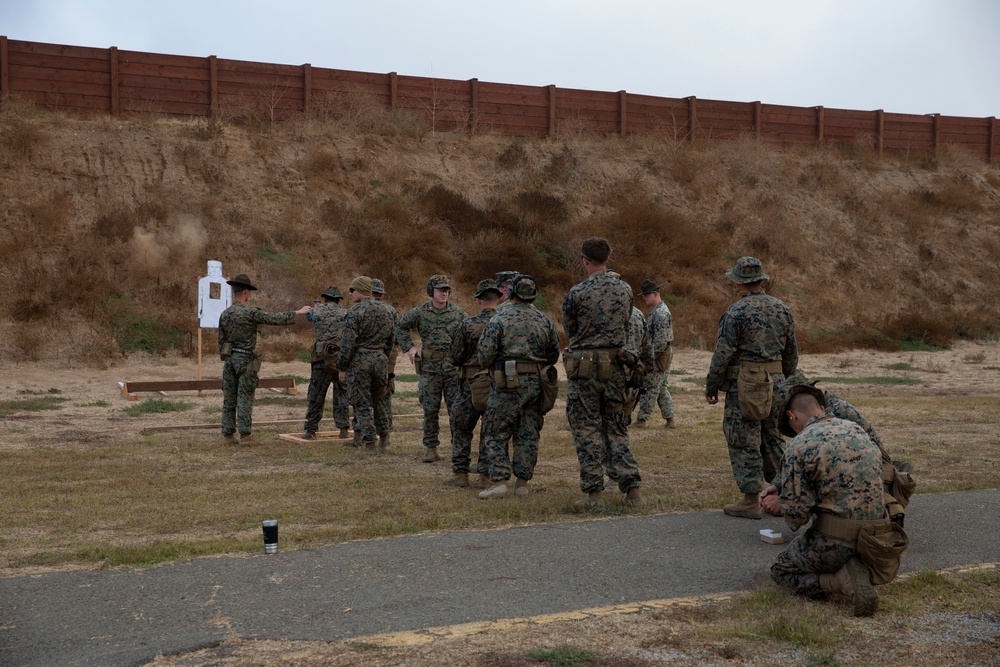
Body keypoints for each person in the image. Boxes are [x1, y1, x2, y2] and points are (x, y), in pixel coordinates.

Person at [759, 384, 886, 617]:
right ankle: (857, 567)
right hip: (879, 540)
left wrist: (780, 505)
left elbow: (796, 519)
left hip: (837, 542)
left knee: (781, 570)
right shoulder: (857, 430)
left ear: (791, 415)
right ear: (821, 407)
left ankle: (841, 581)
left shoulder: (799, 445)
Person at [705, 256, 797, 520]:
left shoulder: (736, 312)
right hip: (777, 382)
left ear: (738, 282)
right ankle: (785, 495)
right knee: (772, 439)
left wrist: (712, 385)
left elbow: (722, 354)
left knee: (743, 439)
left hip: (745, 385)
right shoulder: (782, 308)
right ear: (761, 279)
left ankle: (750, 499)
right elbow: (791, 353)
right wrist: (783, 380)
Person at [562, 237, 643, 508]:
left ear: (585, 260)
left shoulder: (577, 292)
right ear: (608, 259)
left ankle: (594, 494)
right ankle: (632, 489)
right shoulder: (625, 289)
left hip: (584, 368)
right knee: (617, 427)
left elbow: (570, 329)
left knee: (586, 430)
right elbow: (626, 322)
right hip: (616, 368)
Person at [780, 370, 915, 518]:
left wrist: (785, 500)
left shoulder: (836, 411)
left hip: (870, 474)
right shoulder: (819, 408)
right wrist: (777, 486)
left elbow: (810, 459)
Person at [477, 275, 560, 499]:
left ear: (511, 293)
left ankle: (500, 480)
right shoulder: (544, 320)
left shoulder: (499, 318)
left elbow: (484, 356)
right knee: (528, 432)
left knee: (495, 430)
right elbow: (553, 354)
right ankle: (522, 483)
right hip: (535, 384)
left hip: (507, 383)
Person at [218, 274, 311, 443]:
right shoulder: (250, 313)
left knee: (229, 398)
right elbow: (273, 319)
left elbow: (221, 342)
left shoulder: (225, 314)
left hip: (229, 360)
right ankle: (245, 435)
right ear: (246, 292)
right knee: (245, 396)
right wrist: (298, 312)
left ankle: (228, 435)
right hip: (246, 359)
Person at [395, 275, 467, 463]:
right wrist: (409, 346)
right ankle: (431, 448)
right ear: (431, 292)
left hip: (453, 369)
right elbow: (400, 327)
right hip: (430, 370)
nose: (444, 293)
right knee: (430, 409)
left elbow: (469, 335)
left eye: (447, 290)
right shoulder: (420, 313)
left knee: (457, 410)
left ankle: (458, 448)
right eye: (440, 289)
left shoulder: (458, 313)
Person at [445, 279, 502, 488]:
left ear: (478, 300)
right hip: (498, 382)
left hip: (470, 382)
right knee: (491, 429)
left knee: (461, 426)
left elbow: (455, 356)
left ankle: (460, 474)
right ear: (499, 298)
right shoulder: (505, 322)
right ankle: (485, 476)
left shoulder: (467, 324)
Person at [337, 276, 396, 454]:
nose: (350, 294)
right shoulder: (389, 311)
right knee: (381, 400)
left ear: (360, 290)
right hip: (380, 359)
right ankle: (384, 441)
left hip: (360, 360)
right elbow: (392, 341)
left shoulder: (355, 311)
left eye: (352, 290)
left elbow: (347, 344)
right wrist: (383, 357)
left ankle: (369, 443)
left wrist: (342, 367)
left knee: (362, 403)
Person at [301, 286, 351, 440]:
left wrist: (316, 308)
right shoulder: (345, 313)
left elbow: (309, 317)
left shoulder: (316, 311)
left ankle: (311, 429)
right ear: (338, 299)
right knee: (342, 393)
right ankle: (343, 429)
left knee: (316, 394)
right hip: (339, 359)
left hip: (320, 359)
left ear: (324, 298)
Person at [636, 279, 675, 428]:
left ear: (655, 294)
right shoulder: (657, 311)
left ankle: (642, 420)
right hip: (660, 353)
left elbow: (660, 342)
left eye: (646, 295)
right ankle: (670, 419)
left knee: (651, 386)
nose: (644, 298)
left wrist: (649, 360)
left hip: (659, 355)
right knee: (661, 388)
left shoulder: (661, 313)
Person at [371, 278, 400, 451]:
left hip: (365, 358)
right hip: (387, 357)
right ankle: (385, 435)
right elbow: (395, 337)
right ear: (382, 293)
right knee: (384, 395)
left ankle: (362, 435)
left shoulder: (358, 309)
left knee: (364, 397)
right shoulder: (391, 311)